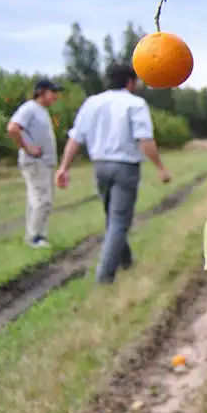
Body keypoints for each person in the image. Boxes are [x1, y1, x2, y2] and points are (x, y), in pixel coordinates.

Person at [54, 64, 172, 284]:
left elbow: (76, 138)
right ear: (130, 82)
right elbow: (144, 139)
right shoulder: (135, 104)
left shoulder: (92, 103)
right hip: (125, 167)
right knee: (118, 220)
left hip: (100, 166)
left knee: (113, 216)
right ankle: (105, 276)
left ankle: (126, 260)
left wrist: (63, 167)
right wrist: (160, 167)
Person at [6, 79, 63, 248]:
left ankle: (39, 235)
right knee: (42, 201)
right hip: (35, 162)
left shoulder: (42, 111)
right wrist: (27, 148)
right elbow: (13, 128)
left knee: (39, 201)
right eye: (53, 92)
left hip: (44, 163)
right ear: (41, 92)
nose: (55, 96)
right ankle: (35, 237)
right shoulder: (30, 108)